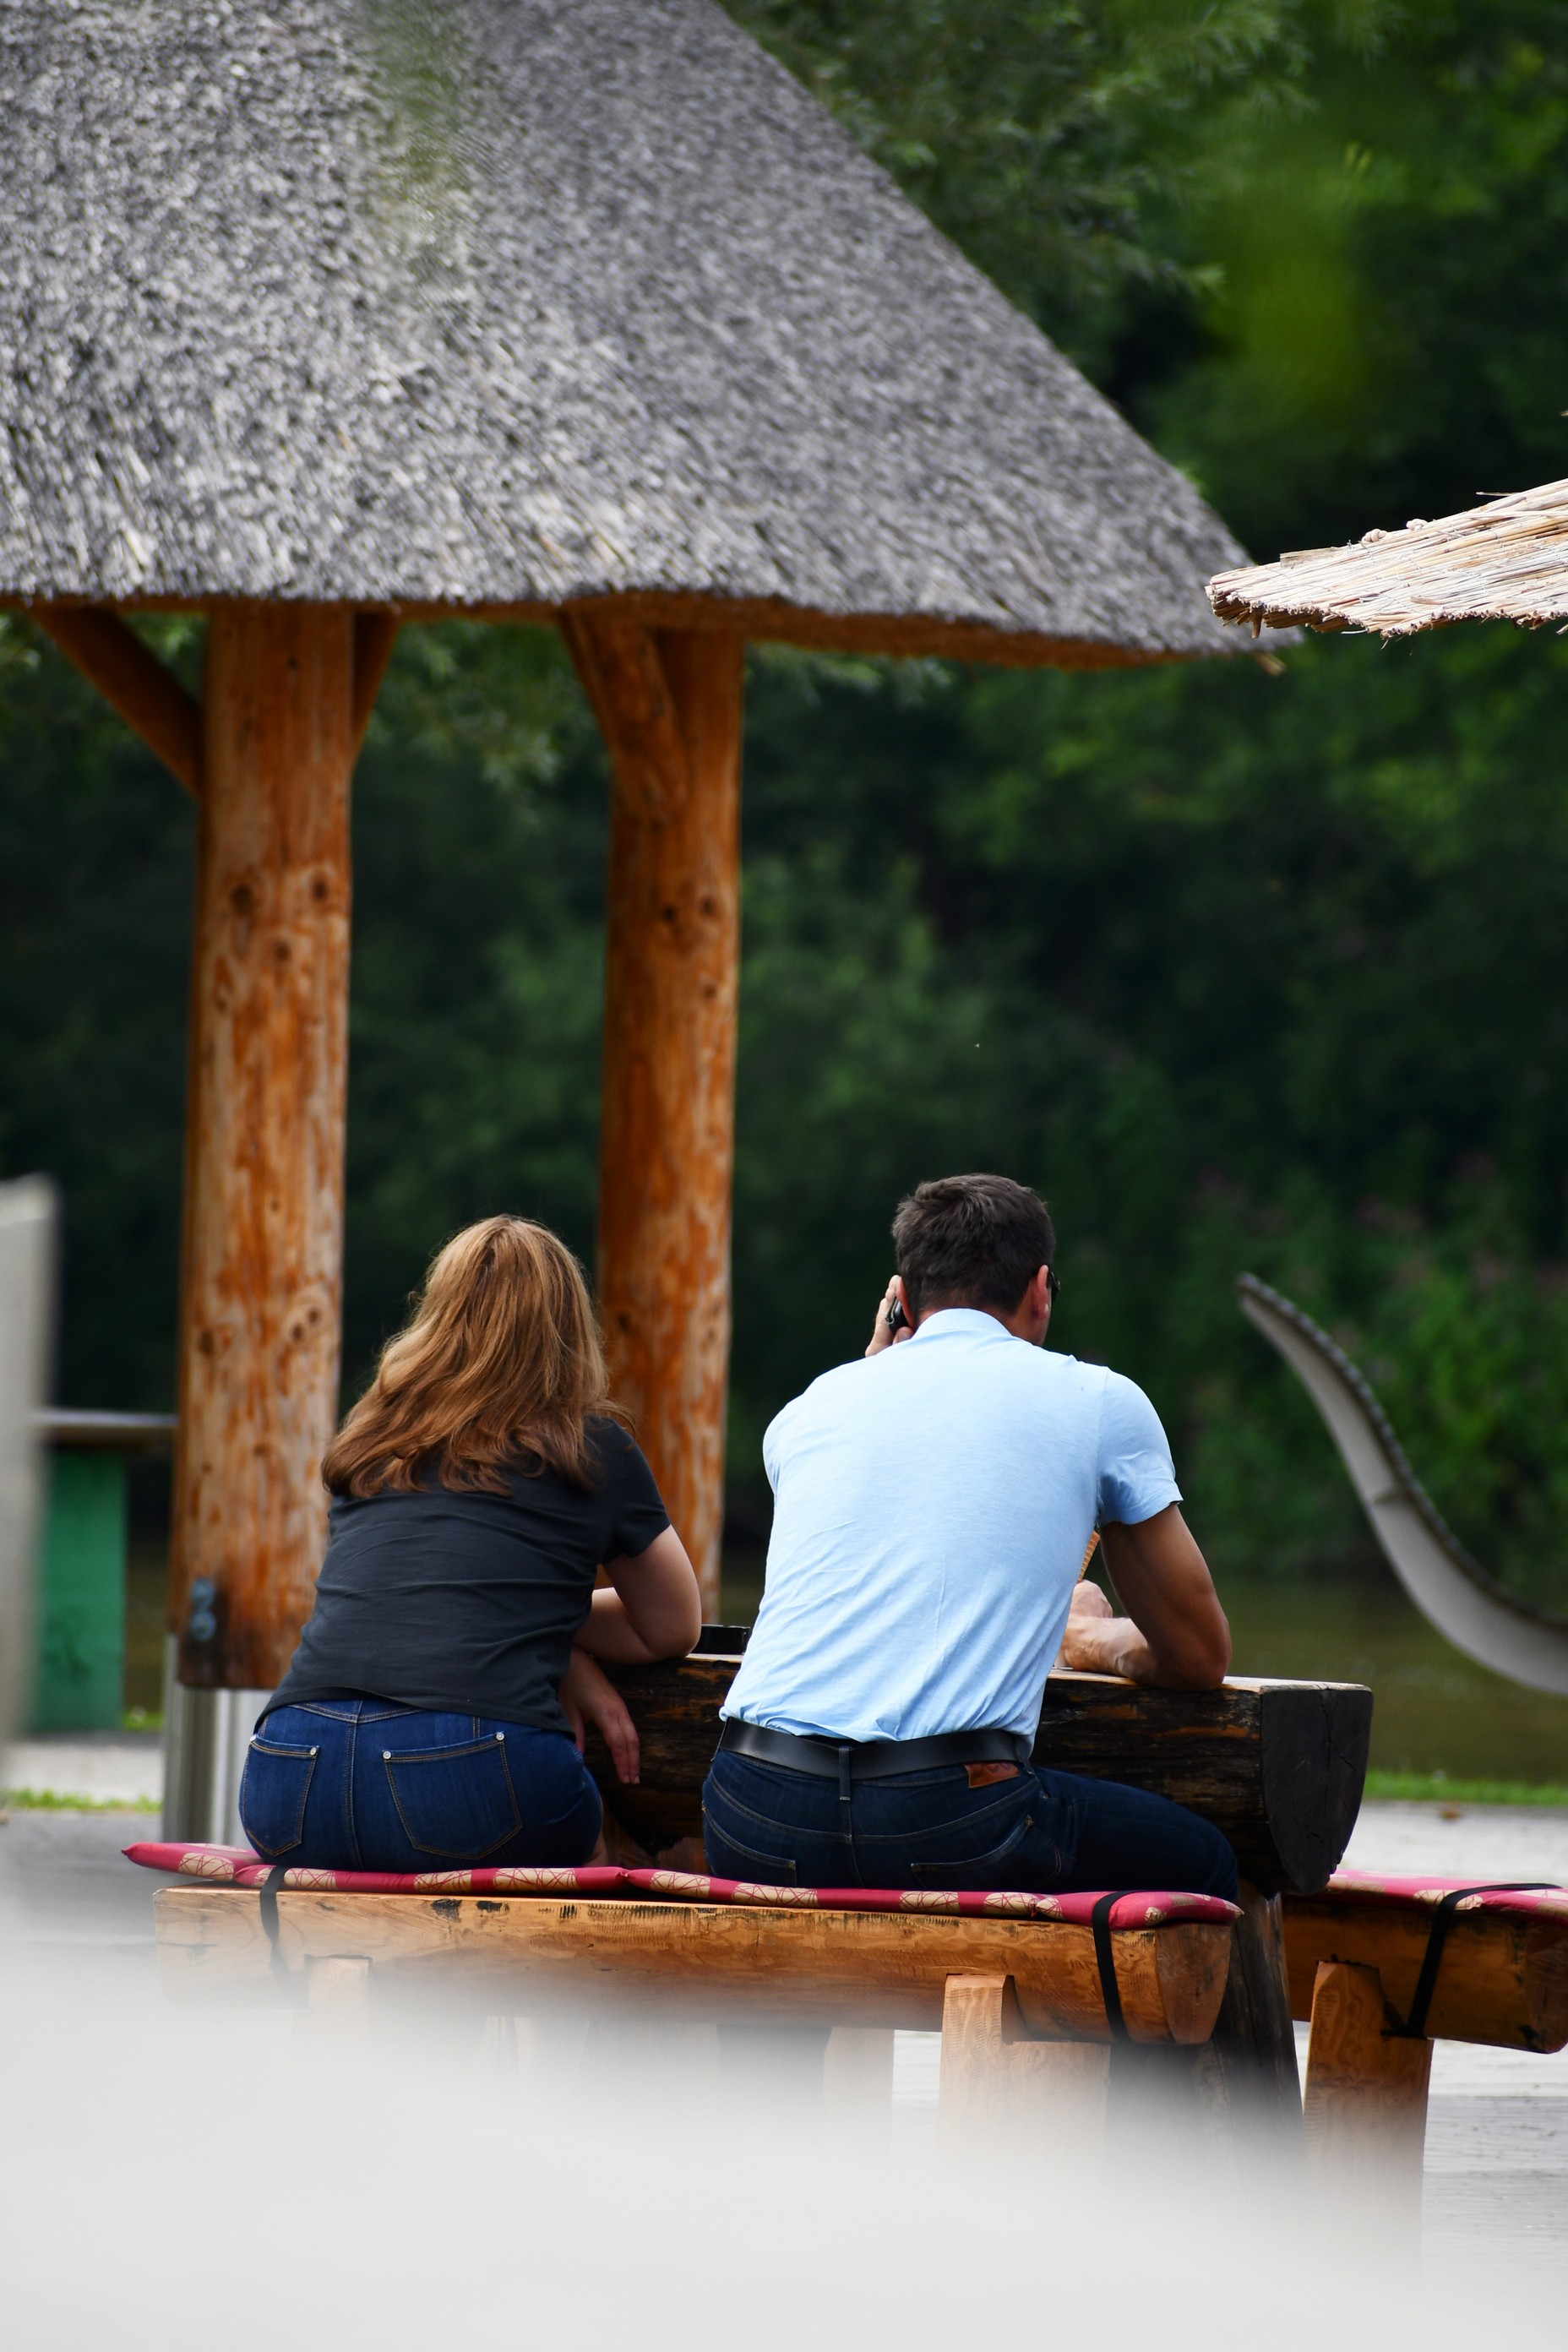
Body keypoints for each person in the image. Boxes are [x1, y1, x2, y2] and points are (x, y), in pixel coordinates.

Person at [704, 1173, 1239, 1902]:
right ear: (1041, 1289)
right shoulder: (1102, 1404)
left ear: (901, 1296)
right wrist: (1087, 1639)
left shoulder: (807, 1411)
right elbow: (1198, 1656)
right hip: (945, 1818)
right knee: (1207, 1861)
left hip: (751, 1810)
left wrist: (873, 1360)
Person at [239, 1217, 701, 1873]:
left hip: (287, 1772)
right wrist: (552, 1633)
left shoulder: (372, 1437)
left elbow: (411, 1602)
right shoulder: (590, 1448)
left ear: (437, 1311)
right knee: (591, 1872)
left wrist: (548, 1634)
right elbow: (671, 1626)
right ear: (568, 1326)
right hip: (469, 1766)